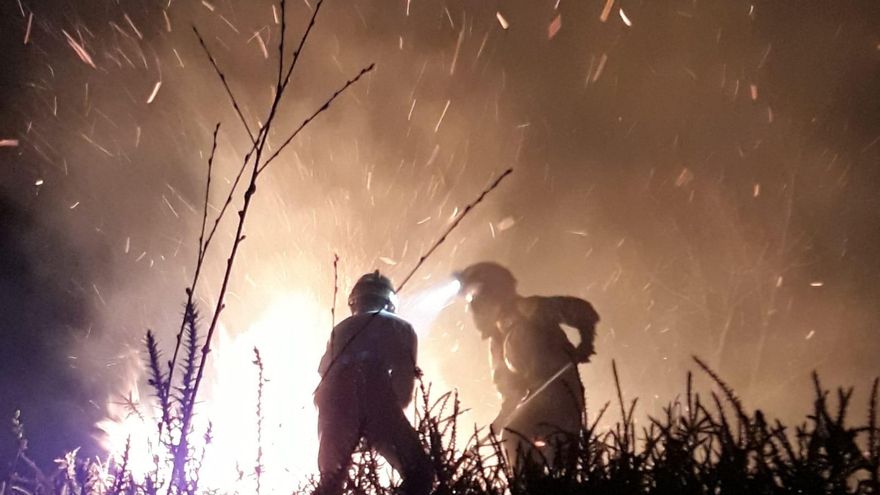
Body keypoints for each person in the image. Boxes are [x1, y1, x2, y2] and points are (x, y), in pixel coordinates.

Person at [455, 262, 599, 466]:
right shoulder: (497, 342)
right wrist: (498, 423)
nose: (473, 307)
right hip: (537, 401)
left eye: (475, 297)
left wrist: (586, 342)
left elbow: (581, 311)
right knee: (516, 437)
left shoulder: (530, 309)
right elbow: (511, 393)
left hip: (562, 397)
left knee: (515, 435)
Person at [314, 271, 433, 495]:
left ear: (354, 301)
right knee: (421, 473)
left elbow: (324, 379)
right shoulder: (402, 328)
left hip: (332, 404)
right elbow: (403, 389)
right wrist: (383, 426)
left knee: (330, 484)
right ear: (390, 303)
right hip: (376, 396)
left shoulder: (340, 329)